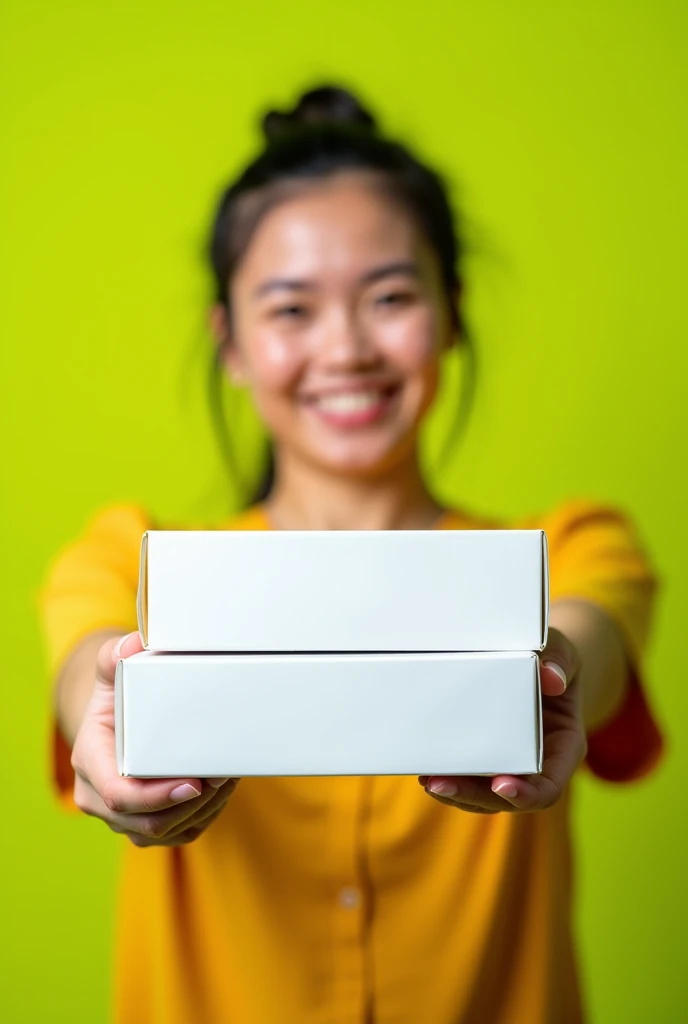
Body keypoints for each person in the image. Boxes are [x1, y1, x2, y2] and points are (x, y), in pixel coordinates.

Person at [37, 84, 664, 1024]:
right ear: (232, 343)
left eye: (390, 297)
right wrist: (111, 712)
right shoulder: (129, 558)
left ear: (451, 313)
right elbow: (89, 659)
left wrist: (553, 673)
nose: (346, 349)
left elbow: (587, 636)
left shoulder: (577, 547)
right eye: (291, 309)